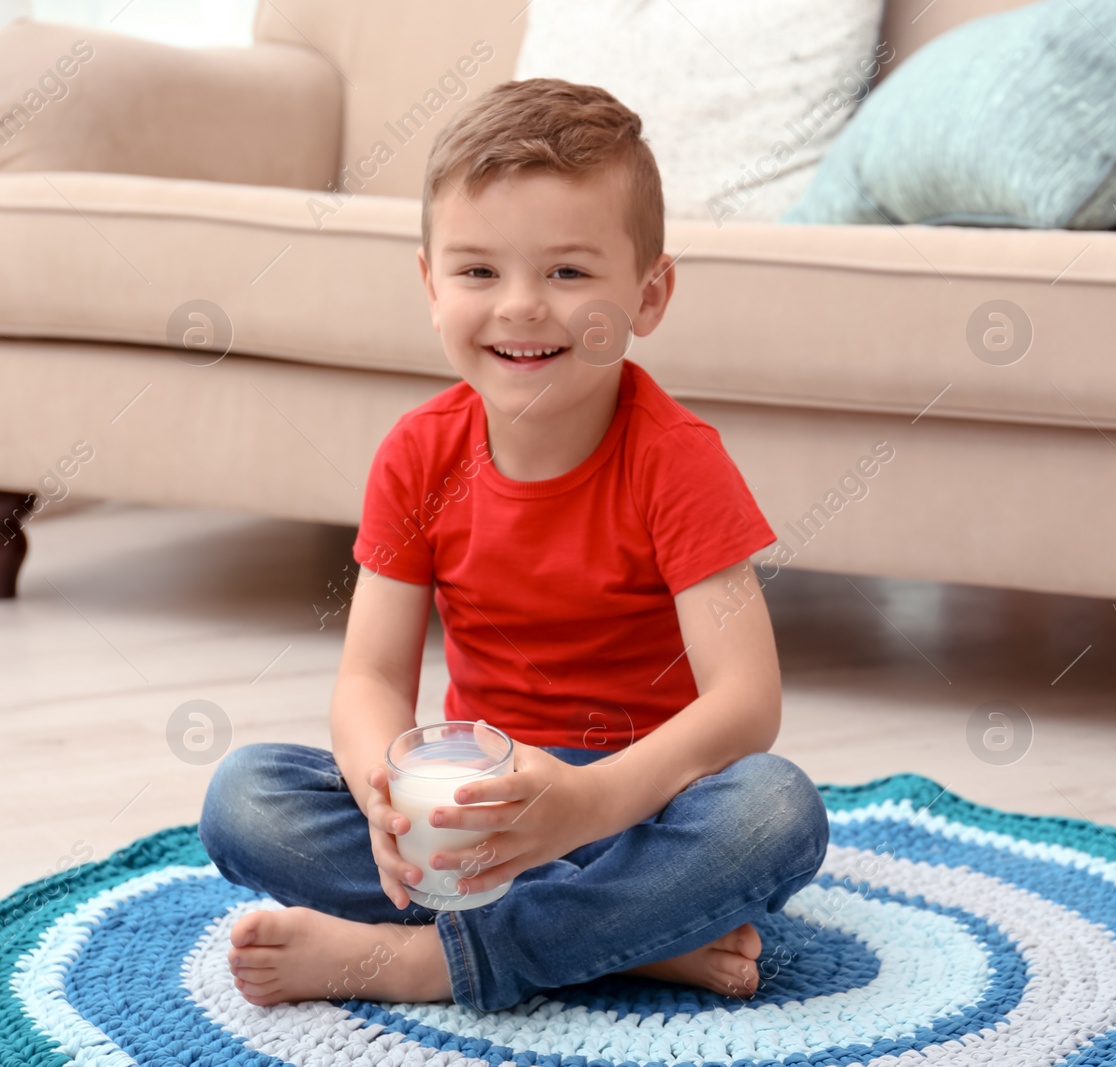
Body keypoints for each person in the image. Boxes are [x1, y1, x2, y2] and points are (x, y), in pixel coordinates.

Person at [197, 78, 830, 1013]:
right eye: (480, 272)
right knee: (244, 796)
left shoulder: (677, 462)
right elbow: (371, 679)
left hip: (637, 809)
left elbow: (747, 702)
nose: (522, 307)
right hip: (473, 808)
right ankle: (623, 938)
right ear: (429, 284)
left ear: (648, 293)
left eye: (569, 273)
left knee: (778, 811)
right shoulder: (418, 454)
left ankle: (435, 963)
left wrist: (591, 803)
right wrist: (383, 792)